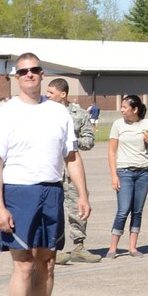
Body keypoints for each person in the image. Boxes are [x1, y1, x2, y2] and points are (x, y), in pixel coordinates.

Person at [0, 53, 89, 296]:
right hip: (19, 192)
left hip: (52, 191)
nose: (30, 75)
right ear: (16, 77)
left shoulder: (58, 112)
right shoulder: (5, 113)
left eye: (35, 70)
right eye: (23, 71)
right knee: (24, 263)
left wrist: (83, 194)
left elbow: (71, 157)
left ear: (42, 74)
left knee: (47, 262)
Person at [47, 77, 99, 264]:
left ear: (63, 94)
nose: (47, 96)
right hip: (50, 168)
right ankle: (52, 248)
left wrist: (71, 143)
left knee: (77, 208)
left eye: (51, 93)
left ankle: (78, 247)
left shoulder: (79, 113)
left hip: (71, 171)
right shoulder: (43, 112)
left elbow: (89, 140)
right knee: (51, 211)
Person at [107, 93, 148, 256]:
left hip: (144, 172)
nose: (121, 110)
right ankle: (112, 248)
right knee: (123, 210)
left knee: (137, 210)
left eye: (124, 107)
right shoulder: (118, 125)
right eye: (121, 107)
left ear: (135, 109)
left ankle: (132, 247)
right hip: (124, 171)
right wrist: (114, 176)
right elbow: (111, 152)